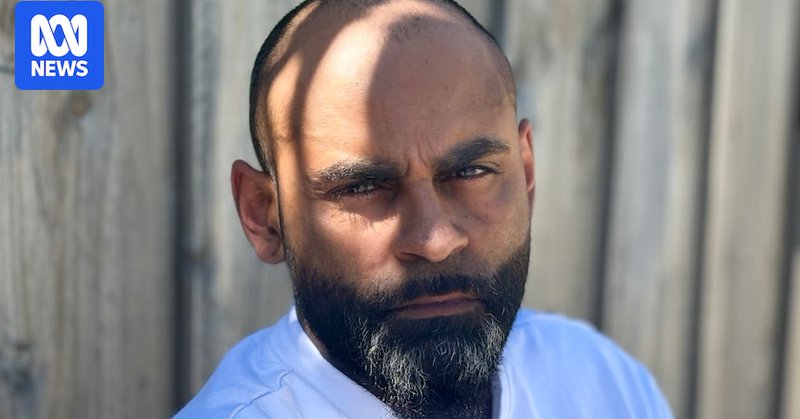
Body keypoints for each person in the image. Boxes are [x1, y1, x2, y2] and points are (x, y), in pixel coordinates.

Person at [175, 0, 673, 418]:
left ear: (524, 174)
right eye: (363, 186)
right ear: (264, 215)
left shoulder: (601, 382)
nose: (434, 240)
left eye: (472, 172)